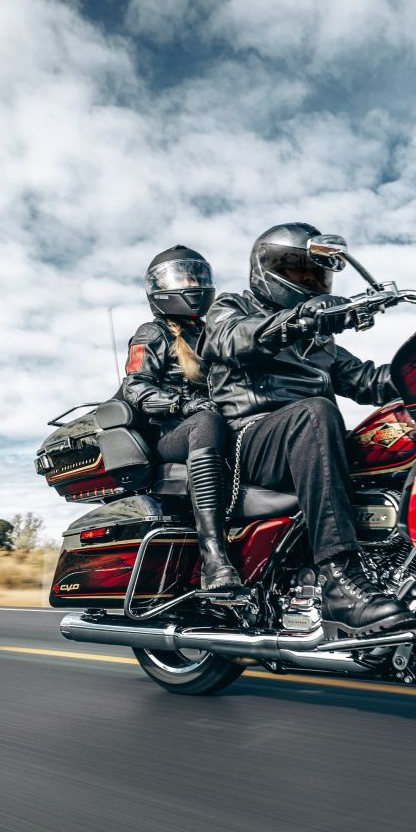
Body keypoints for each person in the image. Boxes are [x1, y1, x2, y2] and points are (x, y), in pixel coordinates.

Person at [201, 223, 410, 633]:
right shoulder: (231, 309)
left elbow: (369, 381)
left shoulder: (320, 342)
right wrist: (301, 318)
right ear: (267, 268)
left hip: (310, 440)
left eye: (318, 275)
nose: (311, 283)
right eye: (300, 272)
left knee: (403, 429)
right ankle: (339, 579)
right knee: (314, 412)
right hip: (250, 443)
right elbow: (234, 339)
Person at [119, 246, 242, 596]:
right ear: (159, 288)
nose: (193, 284)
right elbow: (136, 388)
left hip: (215, 423)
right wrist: (183, 404)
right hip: (171, 433)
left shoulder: (213, 334)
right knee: (206, 421)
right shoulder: (152, 333)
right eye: (184, 277)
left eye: (198, 276)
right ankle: (213, 555)